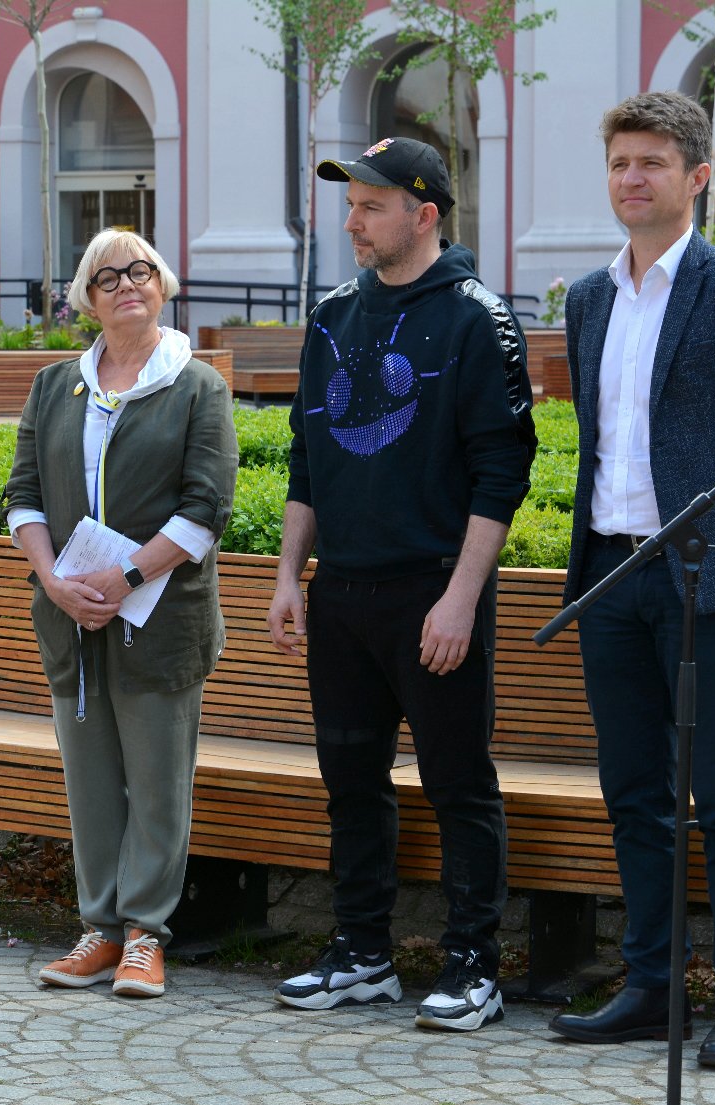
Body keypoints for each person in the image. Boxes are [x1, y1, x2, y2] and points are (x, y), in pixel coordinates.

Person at [546, 92, 715, 1069]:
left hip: (712, 581)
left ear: (698, 176)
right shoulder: (588, 298)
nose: (633, 177)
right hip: (610, 576)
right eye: (621, 161)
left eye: (654, 162)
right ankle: (651, 985)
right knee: (634, 790)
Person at [266, 137, 536, 1032]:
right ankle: (363, 953)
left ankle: (473, 967)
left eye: (371, 206)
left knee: (459, 784)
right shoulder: (333, 314)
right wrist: (288, 577)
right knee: (350, 780)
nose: (353, 221)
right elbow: (310, 456)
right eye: (350, 205)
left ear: (424, 214)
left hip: (433, 594)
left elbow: (503, 471)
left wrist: (460, 598)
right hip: (342, 595)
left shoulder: (477, 318)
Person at [3, 229, 237, 999]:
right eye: (107, 277)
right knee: (91, 780)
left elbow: (207, 508)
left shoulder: (197, 385)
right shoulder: (53, 385)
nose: (126, 284)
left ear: (162, 285)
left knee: (159, 781)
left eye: (140, 270)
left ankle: (146, 935)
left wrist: (125, 574)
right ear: (87, 299)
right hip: (71, 615)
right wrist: (56, 582)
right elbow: (24, 494)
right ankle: (100, 931)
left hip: (159, 618)